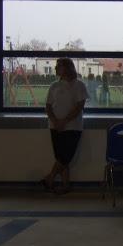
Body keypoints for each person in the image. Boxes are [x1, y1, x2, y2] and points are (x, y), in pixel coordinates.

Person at [41, 57, 89, 194]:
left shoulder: (79, 85)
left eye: (59, 66)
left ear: (67, 68)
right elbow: (48, 106)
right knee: (60, 157)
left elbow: (79, 106)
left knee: (66, 156)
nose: (56, 68)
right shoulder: (54, 86)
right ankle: (65, 185)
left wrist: (64, 121)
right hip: (55, 126)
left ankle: (50, 178)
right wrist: (56, 121)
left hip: (73, 127)